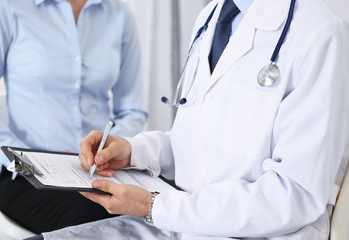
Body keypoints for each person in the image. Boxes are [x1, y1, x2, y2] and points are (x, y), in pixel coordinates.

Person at [31, 0, 349, 239]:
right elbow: (196, 143)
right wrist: (132, 150)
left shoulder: (317, 32)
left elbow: (295, 195)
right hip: (180, 224)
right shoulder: (212, 16)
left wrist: (155, 207)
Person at [0, 0, 147, 234]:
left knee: (164, 204)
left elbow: (132, 110)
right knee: (95, 219)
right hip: (28, 177)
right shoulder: (7, 7)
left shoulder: (119, 13)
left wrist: (106, 151)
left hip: (101, 172)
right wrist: (30, 162)